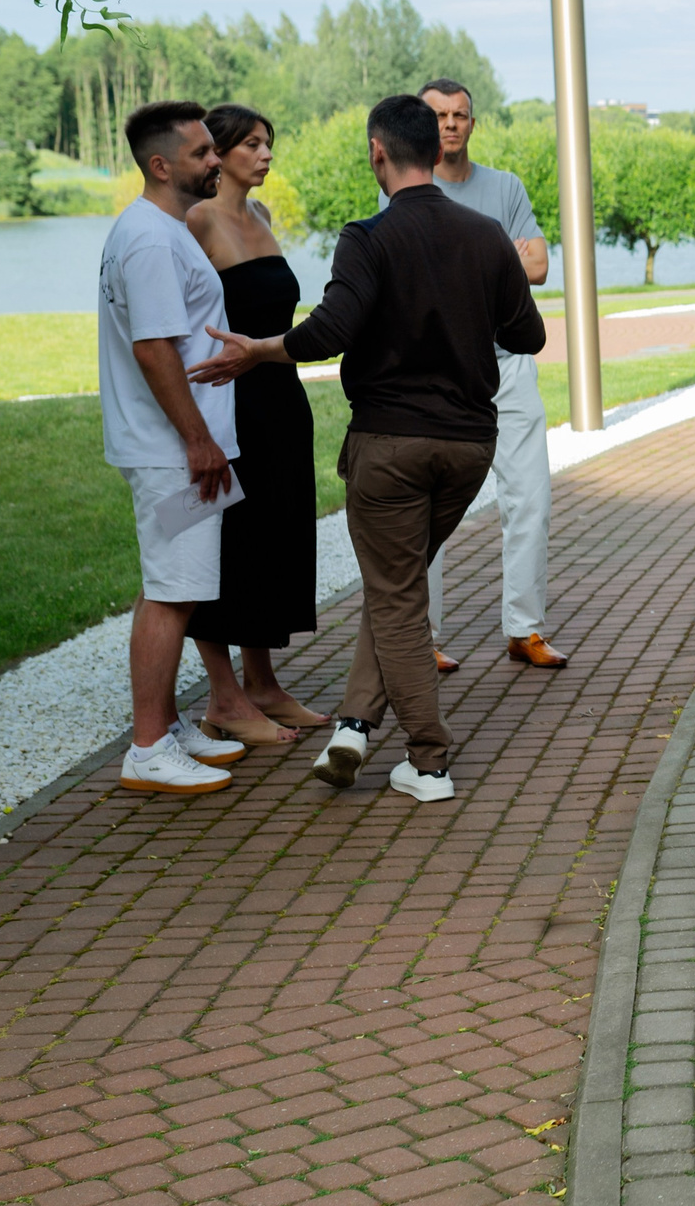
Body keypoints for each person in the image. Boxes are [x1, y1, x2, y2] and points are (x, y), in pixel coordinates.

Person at [190, 94, 547, 805]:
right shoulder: (485, 236)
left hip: (389, 446)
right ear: (433, 148)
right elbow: (529, 335)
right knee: (397, 586)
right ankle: (353, 726)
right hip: (468, 449)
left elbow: (331, 329)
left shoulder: (367, 236)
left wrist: (260, 350)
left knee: (396, 595)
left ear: (377, 152)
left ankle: (429, 760)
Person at [98, 101, 251, 795]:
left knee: (172, 589)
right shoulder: (152, 240)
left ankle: (164, 723)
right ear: (160, 166)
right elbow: (155, 348)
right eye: (200, 153)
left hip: (176, 444)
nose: (215, 159)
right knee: (171, 592)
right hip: (172, 448)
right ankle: (149, 746)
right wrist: (198, 439)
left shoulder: (159, 228)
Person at [184, 104, 324, 742]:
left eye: (269, 143)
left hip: (280, 399)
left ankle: (264, 685)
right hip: (229, 404)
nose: (266, 155)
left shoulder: (261, 216)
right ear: (221, 153)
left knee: (274, 539)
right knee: (229, 545)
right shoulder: (197, 221)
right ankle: (224, 699)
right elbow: (180, 325)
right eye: (252, 145)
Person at [418, 78, 567, 673]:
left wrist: (462, 254)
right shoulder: (406, 187)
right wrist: (497, 250)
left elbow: (539, 264)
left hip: (508, 367)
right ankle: (420, 637)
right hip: (438, 374)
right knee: (429, 510)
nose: (450, 124)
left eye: (460, 115)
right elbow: (417, 269)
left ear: (472, 123)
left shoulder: (504, 186)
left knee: (531, 498)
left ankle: (524, 630)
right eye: (438, 116)